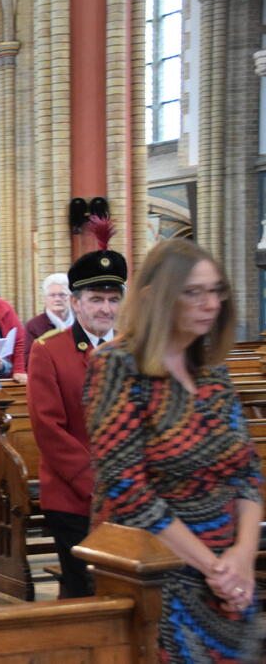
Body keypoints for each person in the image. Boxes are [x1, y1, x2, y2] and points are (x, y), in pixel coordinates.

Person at [85, 239, 262, 663]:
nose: (211, 303)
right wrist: (213, 568)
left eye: (216, 290)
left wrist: (243, 556)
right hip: (156, 568)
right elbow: (126, 488)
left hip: (229, 567)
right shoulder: (117, 366)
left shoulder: (212, 371)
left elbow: (248, 471)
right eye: (193, 292)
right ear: (156, 296)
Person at [26, 248, 127, 599]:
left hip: (130, 493)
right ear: (76, 302)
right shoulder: (48, 350)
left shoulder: (133, 349)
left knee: (127, 588)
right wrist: (97, 482)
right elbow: (47, 428)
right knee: (84, 589)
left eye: (113, 299)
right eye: (96, 299)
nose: (105, 308)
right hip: (74, 495)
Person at [24, 273, 75, 351]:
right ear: (45, 298)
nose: (57, 299)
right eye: (52, 295)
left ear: (71, 297)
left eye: (62, 294)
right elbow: (30, 359)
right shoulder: (34, 326)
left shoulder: (82, 321)